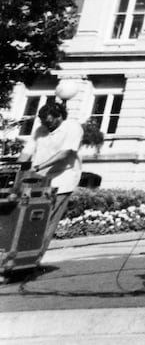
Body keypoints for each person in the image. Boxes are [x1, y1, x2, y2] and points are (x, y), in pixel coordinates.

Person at [26, 100, 84, 243]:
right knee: (29, 219)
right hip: (38, 179)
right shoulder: (40, 129)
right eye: (44, 122)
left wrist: (39, 167)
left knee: (48, 220)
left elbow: (66, 153)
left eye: (49, 123)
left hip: (62, 180)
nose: (46, 126)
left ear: (59, 117)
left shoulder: (73, 128)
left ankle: (34, 257)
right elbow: (26, 152)